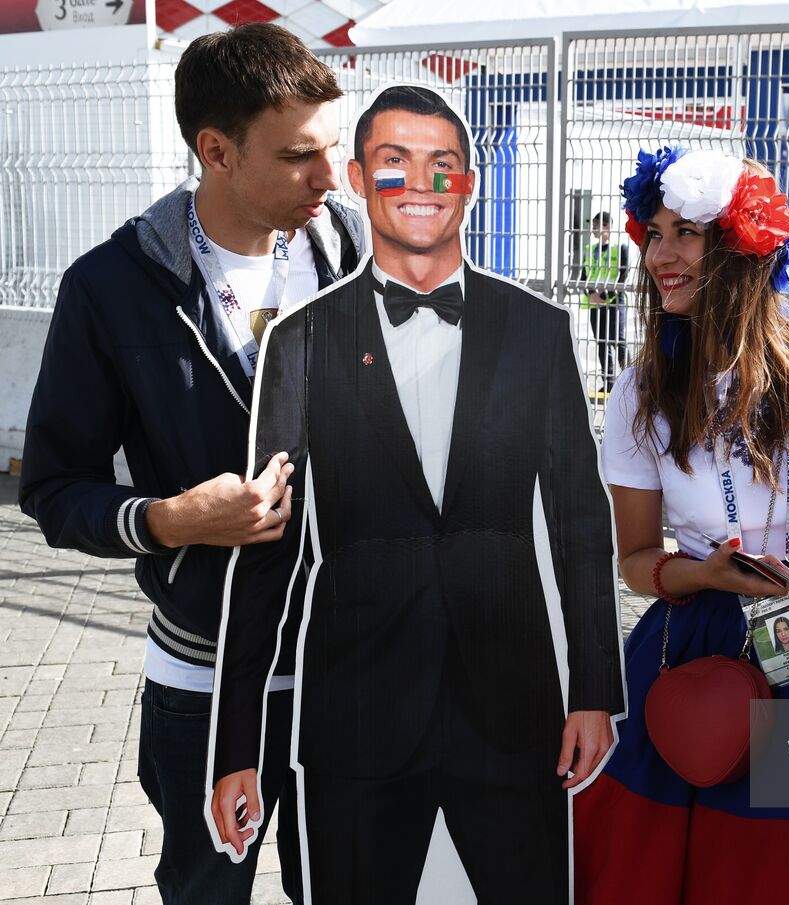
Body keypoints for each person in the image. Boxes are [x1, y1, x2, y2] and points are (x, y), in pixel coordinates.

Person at [207, 85, 623, 905]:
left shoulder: (538, 332)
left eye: (444, 165)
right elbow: (268, 552)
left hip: (512, 709)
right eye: (396, 163)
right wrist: (236, 746)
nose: (423, 183)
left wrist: (596, 692)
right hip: (355, 716)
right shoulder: (302, 343)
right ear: (359, 177)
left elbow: (581, 520)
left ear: (468, 183)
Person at [18, 23, 360, 905]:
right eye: (298, 156)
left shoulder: (357, 255)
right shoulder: (114, 288)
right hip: (206, 685)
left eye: (333, 148)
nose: (330, 178)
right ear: (216, 150)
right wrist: (173, 519)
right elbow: (55, 489)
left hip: (354, 666)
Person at [573, 146, 789, 905]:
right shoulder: (640, 391)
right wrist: (702, 575)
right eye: (652, 233)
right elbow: (633, 557)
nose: (662, 255)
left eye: (686, 231)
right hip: (691, 647)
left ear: (744, 243)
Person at [579, 211, 629, 395]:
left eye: (595, 225)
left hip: (615, 301)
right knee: (602, 342)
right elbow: (584, 276)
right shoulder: (590, 250)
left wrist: (606, 296)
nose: (592, 228)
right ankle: (608, 383)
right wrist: (591, 294)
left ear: (606, 226)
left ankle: (629, 381)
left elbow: (623, 275)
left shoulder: (620, 248)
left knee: (618, 341)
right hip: (595, 303)